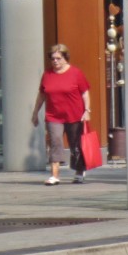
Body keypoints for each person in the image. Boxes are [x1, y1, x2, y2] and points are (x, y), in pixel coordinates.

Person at [31, 44, 91, 185]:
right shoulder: (47, 75)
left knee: (75, 145)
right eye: (52, 59)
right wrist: (35, 112)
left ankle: (79, 171)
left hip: (74, 115)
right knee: (55, 142)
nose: (55, 61)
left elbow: (85, 93)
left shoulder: (76, 73)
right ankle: (55, 175)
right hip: (54, 116)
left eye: (58, 58)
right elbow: (42, 95)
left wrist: (87, 110)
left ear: (66, 58)